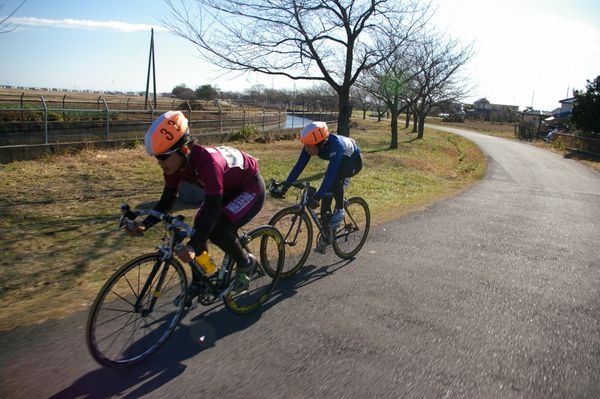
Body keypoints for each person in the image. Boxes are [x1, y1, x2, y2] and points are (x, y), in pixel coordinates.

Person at [124, 110, 265, 296]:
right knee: (199, 227)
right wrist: (145, 224)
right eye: (157, 157)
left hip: (249, 187)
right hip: (225, 189)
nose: (160, 163)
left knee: (217, 230)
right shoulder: (174, 167)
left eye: (163, 157)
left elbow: (214, 208)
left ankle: (246, 263)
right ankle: (201, 280)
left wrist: (192, 245)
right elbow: (167, 201)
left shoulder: (208, 164)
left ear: (183, 150)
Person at [272, 121, 362, 250]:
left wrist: (317, 197)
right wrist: (285, 187)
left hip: (352, 163)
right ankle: (328, 235)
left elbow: (331, 174)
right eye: (305, 145)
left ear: (320, 143)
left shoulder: (335, 145)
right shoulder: (313, 145)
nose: (306, 149)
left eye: (309, 146)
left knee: (333, 180)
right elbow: (299, 166)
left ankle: (340, 211)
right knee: (325, 202)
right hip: (339, 163)